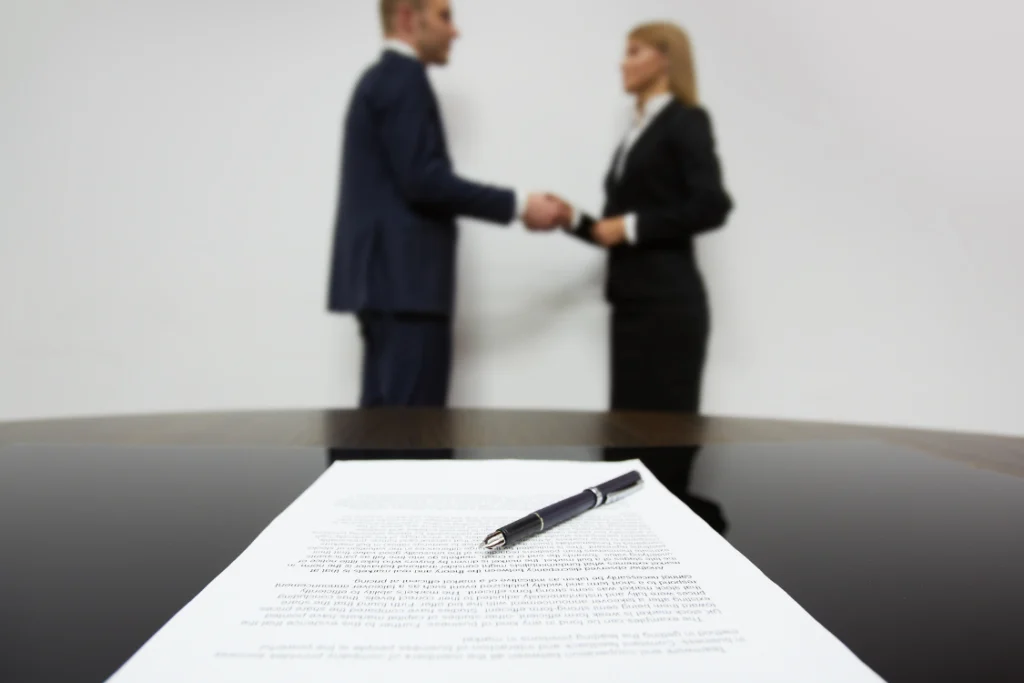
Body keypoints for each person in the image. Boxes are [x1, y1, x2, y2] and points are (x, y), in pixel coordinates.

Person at [327, 0, 567, 408]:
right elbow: (423, 181)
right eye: (444, 16)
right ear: (407, 16)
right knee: (413, 443)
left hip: (385, 286)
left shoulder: (378, 79)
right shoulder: (404, 79)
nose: (455, 31)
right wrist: (519, 205)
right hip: (407, 288)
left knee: (378, 438)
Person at [560, 21, 733, 413]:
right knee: (626, 439)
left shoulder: (687, 120)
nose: (623, 64)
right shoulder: (635, 131)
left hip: (668, 310)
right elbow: (614, 231)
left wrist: (631, 225)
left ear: (666, 58)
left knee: (663, 443)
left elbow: (713, 204)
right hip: (630, 305)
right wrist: (570, 218)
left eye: (634, 52)